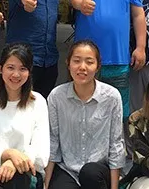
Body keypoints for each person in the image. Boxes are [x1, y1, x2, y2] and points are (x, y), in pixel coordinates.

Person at [69, 0, 147, 118]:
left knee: (118, 112)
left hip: (118, 59)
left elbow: (138, 14)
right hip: (85, 62)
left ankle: (118, 139)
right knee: (83, 111)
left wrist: (141, 47)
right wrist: (82, 4)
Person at [46, 40, 125, 189]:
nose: (82, 67)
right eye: (76, 61)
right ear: (68, 64)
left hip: (98, 171)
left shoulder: (111, 97)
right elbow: (53, 140)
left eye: (89, 62)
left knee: (90, 172)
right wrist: (46, 184)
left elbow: (116, 143)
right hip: (68, 169)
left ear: (98, 66)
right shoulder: (56, 97)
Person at [0, 43, 50, 189]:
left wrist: (13, 162)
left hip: (28, 171)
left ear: (29, 71)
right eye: (10, 68)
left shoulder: (38, 101)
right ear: (0, 68)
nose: (16, 74)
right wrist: (8, 154)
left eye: (22, 69)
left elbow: (41, 153)